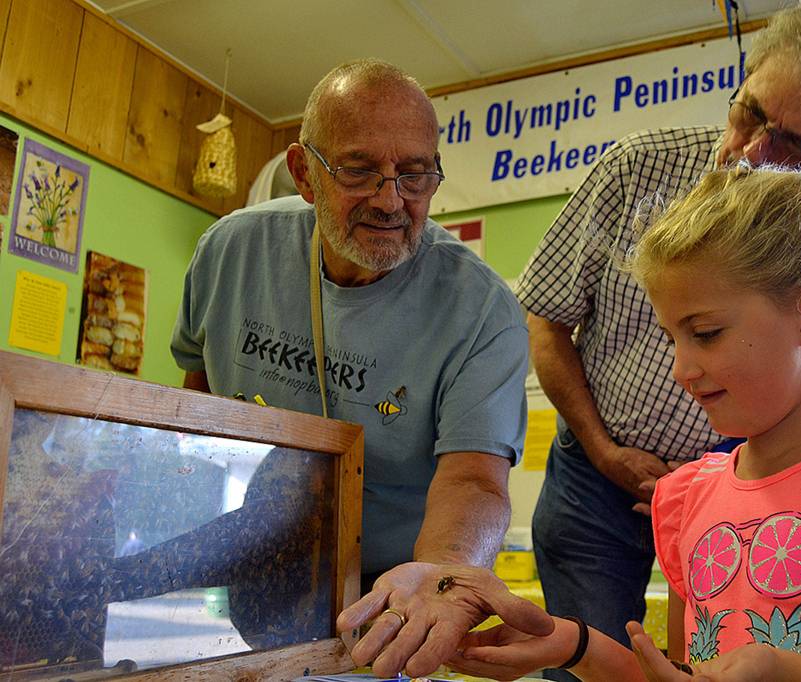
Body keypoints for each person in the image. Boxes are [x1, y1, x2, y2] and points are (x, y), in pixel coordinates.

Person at [446, 165, 801, 681]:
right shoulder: (686, 498)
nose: (681, 370)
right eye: (672, 338)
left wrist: (786, 672)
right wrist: (571, 646)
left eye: (705, 333)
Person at [514, 0, 801, 671]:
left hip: (749, 481)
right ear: (746, 74)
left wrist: (723, 477)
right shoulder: (636, 169)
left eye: (793, 145)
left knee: (725, 659)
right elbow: (546, 319)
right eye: (752, 113)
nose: (753, 152)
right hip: (596, 470)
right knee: (584, 660)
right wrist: (606, 449)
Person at [171, 59, 552, 677]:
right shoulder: (230, 251)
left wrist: (443, 575)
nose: (389, 200)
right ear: (303, 172)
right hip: (258, 560)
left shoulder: (483, 308)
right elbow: (195, 395)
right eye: (359, 170)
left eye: (414, 175)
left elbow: (475, 481)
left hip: (393, 586)